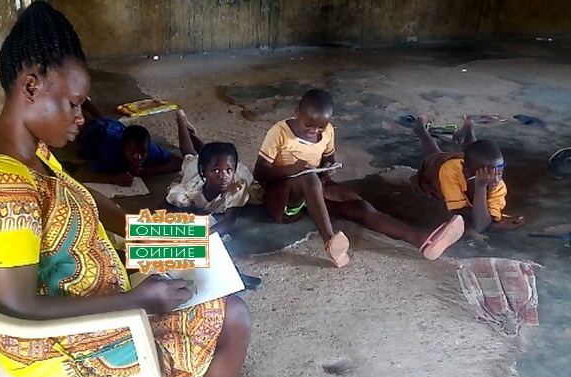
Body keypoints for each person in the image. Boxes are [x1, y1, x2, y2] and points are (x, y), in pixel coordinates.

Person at [0, 2, 255, 377]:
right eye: (74, 105)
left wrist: (175, 235)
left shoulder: (29, 152)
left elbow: (91, 205)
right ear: (31, 87)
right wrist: (137, 299)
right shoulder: (3, 190)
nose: (82, 118)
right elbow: (17, 308)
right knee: (234, 316)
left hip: (89, 292)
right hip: (56, 341)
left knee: (203, 255)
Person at [252, 88, 465, 268]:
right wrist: (292, 169)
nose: (314, 131)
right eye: (308, 125)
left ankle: (422, 240)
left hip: (316, 188)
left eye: (320, 127)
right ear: (297, 113)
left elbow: (328, 158)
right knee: (309, 179)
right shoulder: (279, 132)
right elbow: (260, 173)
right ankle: (330, 242)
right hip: (283, 197)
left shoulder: (327, 133)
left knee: (360, 208)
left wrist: (328, 169)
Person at [165, 108, 264, 290]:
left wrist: (200, 236)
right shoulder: (191, 188)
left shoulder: (236, 186)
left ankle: (204, 147)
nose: (223, 176)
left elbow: (228, 222)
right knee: (189, 156)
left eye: (228, 171)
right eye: (217, 171)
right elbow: (180, 206)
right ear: (205, 173)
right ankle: (181, 121)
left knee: (213, 155)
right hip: (198, 171)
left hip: (222, 171)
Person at [411, 115, 525, 232]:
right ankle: (420, 129)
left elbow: (482, 222)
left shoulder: (498, 186)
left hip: (471, 163)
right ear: (466, 172)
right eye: (486, 173)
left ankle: (469, 127)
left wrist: (490, 220)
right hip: (444, 166)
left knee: (474, 152)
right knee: (434, 154)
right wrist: (481, 187)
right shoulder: (449, 171)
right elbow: (466, 216)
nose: (495, 179)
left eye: (499, 173)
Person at [73, 99, 183, 186]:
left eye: (142, 152)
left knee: (104, 119)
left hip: (116, 127)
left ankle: (85, 101)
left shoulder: (148, 148)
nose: (138, 157)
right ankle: (80, 102)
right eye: (132, 151)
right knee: (88, 123)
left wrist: (147, 171)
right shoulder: (110, 153)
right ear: (123, 147)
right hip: (96, 134)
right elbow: (83, 173)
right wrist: (113, 179)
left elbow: (178, 162)